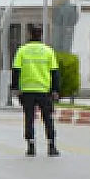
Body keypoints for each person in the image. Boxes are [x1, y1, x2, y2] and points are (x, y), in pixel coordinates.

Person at [11, 24, 61, 157]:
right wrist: (55, 90)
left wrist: (15, 88)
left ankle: (31, 146)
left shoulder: (22, 50)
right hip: (44, 90)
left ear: (29, 34)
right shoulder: (48, 51)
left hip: (27, 90)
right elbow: (54, 72)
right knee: (48, 119)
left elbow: (16, 71)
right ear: (41, 34)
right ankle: (51, 146)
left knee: (29, 118)